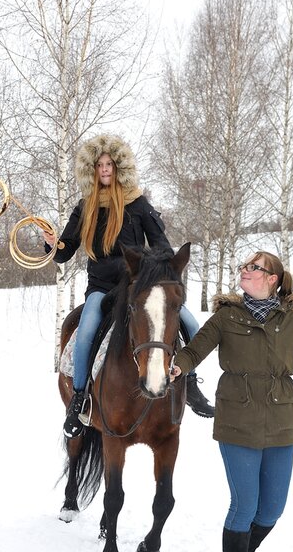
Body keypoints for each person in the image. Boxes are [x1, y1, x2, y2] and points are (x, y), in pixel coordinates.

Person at [170, 250, 293, 552]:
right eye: (244, 266)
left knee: (271, 510)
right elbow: (193, 351)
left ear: (271, 278)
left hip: (281, 423)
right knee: (244, 507)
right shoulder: (226, 317)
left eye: (253, 267)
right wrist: (178, 366)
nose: (244, 270)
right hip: (237, 420)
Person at [42, 134, 215, 438]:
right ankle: (79, 398)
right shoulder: (84, 207)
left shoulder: (138, 203)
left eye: (109, 164)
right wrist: (52, 243)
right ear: (92, 170)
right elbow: (65, 252)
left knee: (189, 321)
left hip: (138, 285)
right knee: (84, 335)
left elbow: (162, 245)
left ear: (119, 167)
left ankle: (189, 382)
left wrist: (150, 265)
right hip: (100, 287)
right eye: (100, 165)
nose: (105, 169)